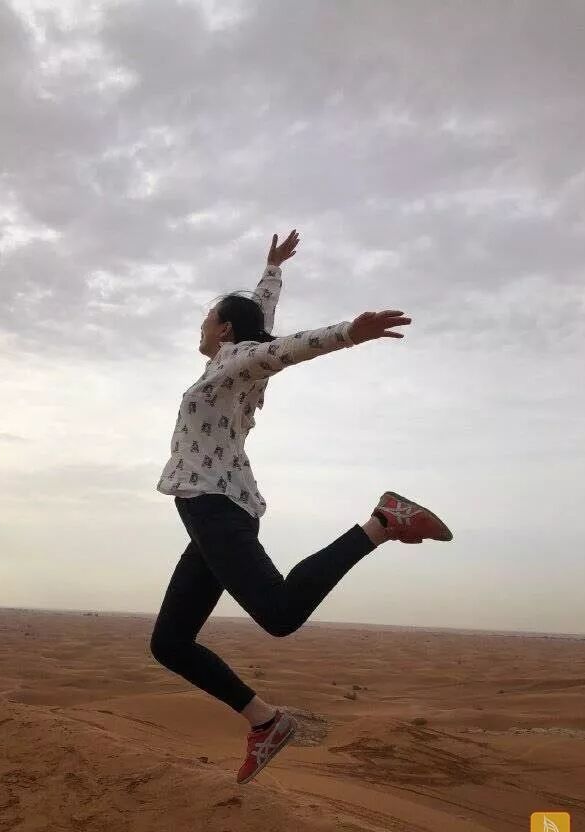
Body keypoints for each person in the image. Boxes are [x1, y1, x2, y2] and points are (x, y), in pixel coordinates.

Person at [151, 230, 453, 784]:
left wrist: (349, 333)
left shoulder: (235, 359)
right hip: (212, 509)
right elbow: (261, 322)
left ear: (224, 329)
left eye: (206, 320)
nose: (201, 328)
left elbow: (282, 347)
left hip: (215, 506)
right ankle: (266, 723)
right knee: (169, 642)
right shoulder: (232, 360)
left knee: (280, 612)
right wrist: (272, 270)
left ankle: (383, 522)